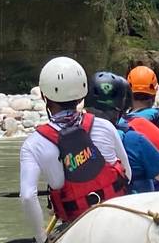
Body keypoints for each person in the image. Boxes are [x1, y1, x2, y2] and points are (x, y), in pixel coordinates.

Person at [18, 57, 131, 243]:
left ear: (43, 96)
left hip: (76, 223)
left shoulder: (34, 144)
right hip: (117, 217)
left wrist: (41, 238)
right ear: (82, 94)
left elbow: (28, 197)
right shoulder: (104, 126)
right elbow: (127, 174)